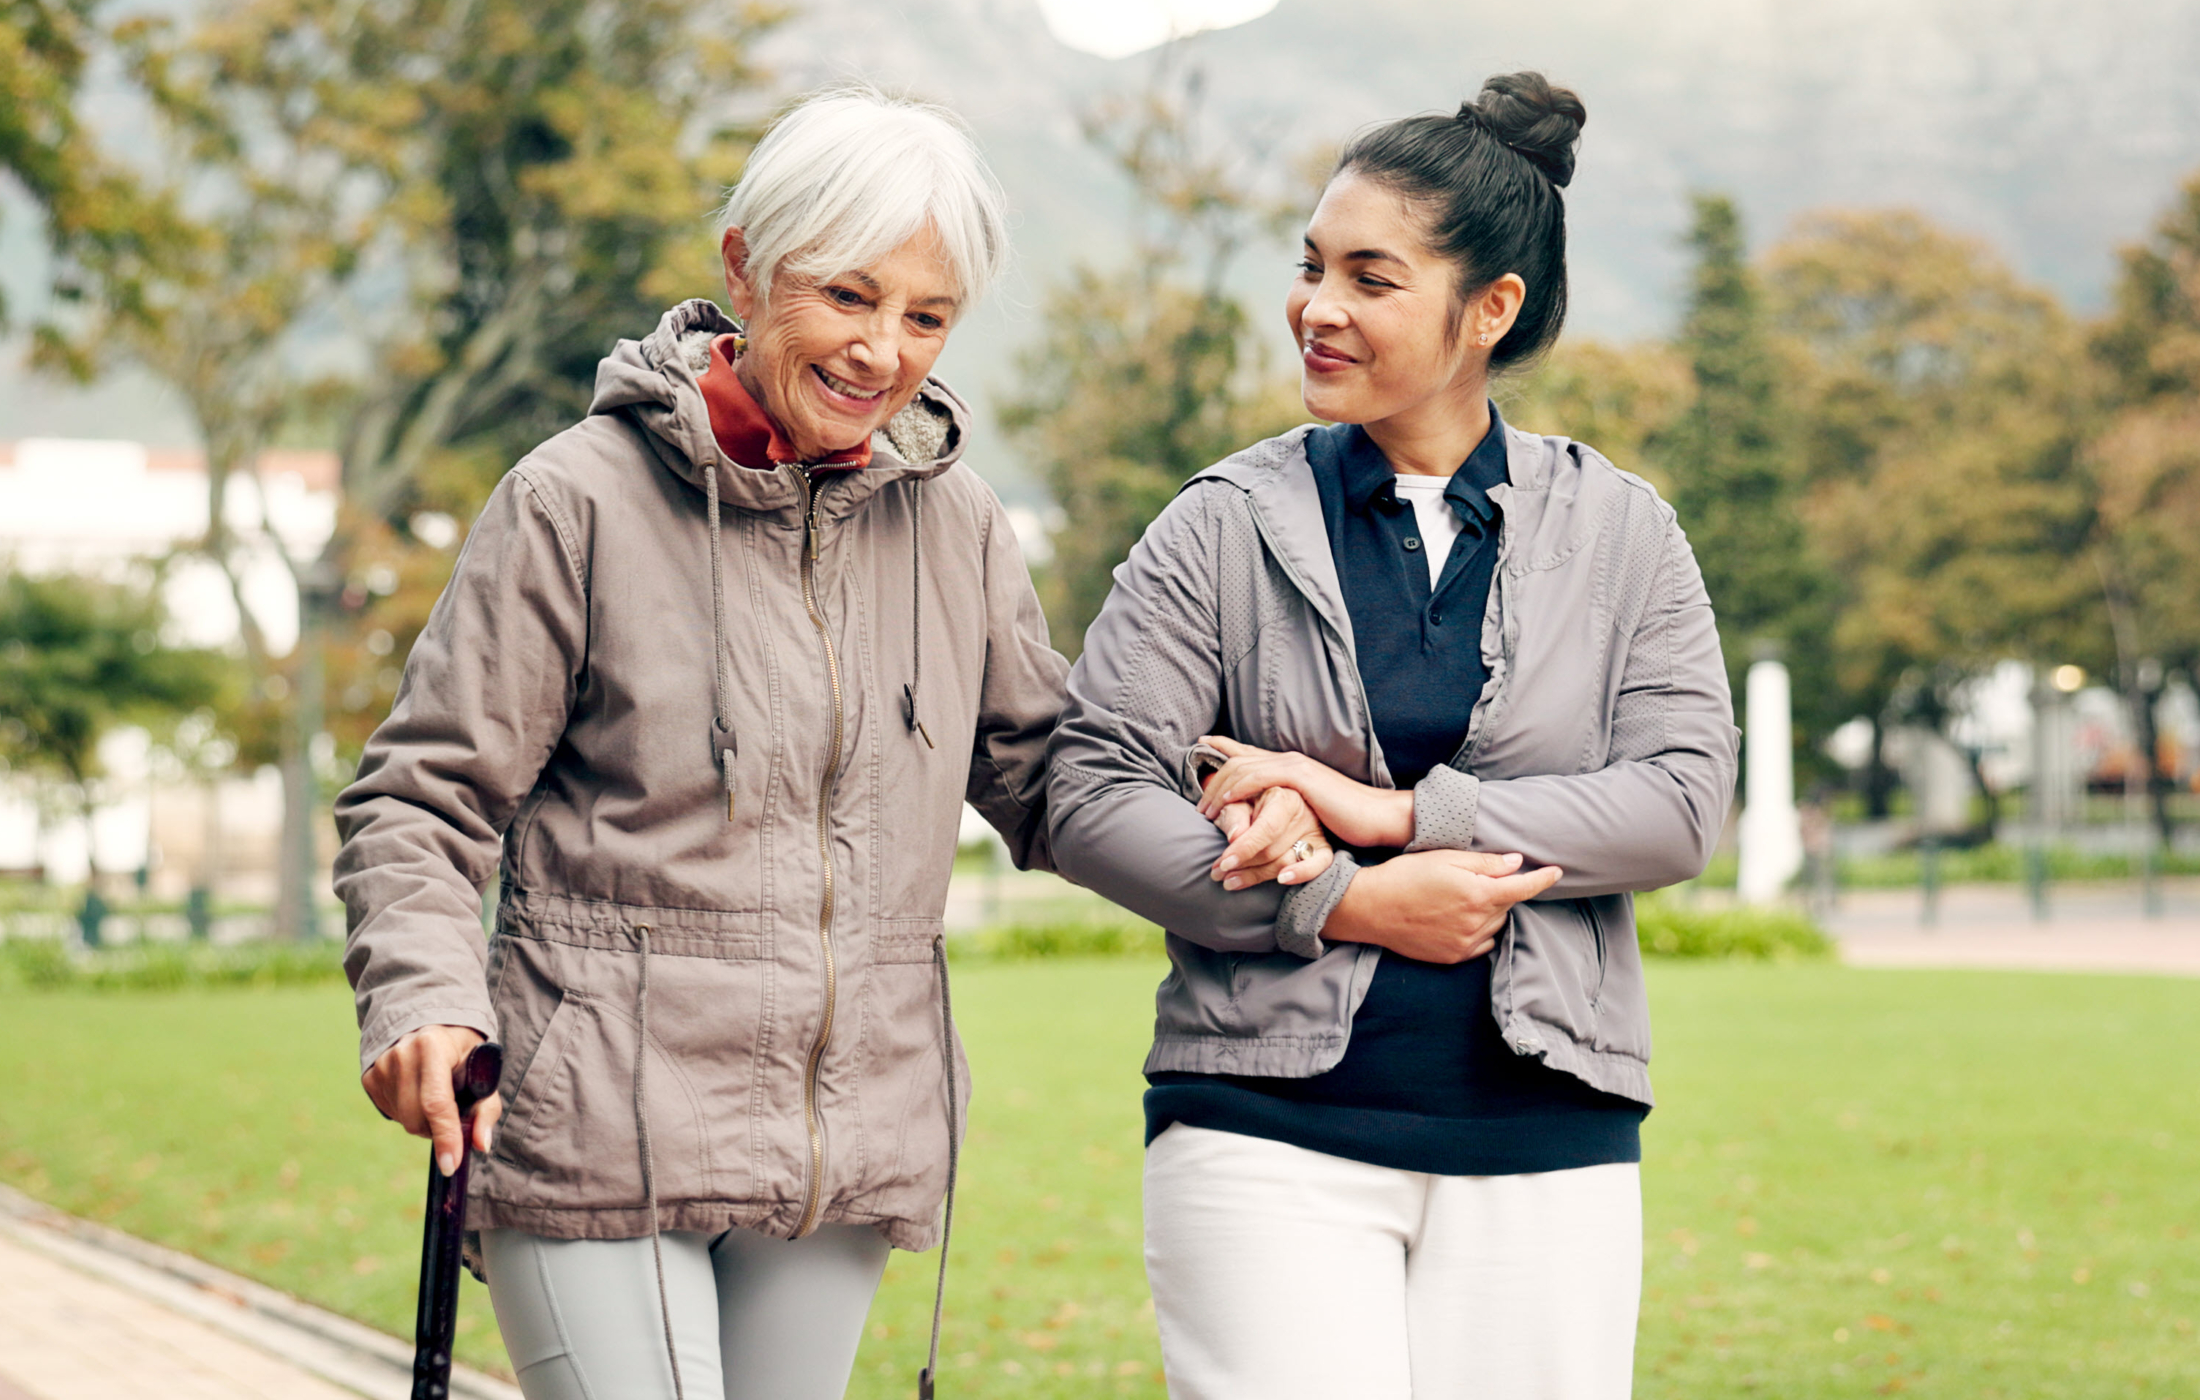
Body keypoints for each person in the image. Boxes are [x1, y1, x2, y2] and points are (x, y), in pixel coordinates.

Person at [332, 86, 1320, 1400]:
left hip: (849, 1137)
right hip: (598, 1119)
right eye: (849, 298)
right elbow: (422, 795)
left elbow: (1051, 771)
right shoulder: (576, 500)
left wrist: (1233, 798)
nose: (884, 352)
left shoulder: (956, 526)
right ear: (747, 265)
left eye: (926, 317)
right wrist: (422, 996)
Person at [1046, 72, 1741, 1400]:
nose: (1316, 307)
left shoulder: (1622, 530)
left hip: (1550, 1138)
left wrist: (1404, 815)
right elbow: (1088, 787)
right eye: (1311, 269)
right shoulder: (1221, 523)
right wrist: (1351, 903)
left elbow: (1680, 803)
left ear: (1490, 310)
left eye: (1370, 278)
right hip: (1265, 1131)